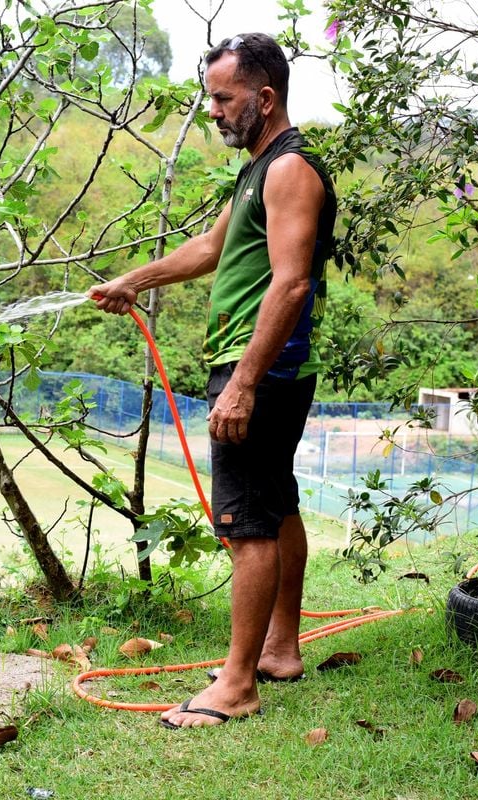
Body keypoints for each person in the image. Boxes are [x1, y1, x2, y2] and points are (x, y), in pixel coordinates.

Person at [89, 32, 337, 730]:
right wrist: (134, 281)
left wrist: (244, 382)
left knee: (248, 521)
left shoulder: (291, 171)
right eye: (212, 100)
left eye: (225, 100)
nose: (215, 113)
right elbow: (211, 247)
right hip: (263, 367)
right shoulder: (261, 169)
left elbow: (289, 285)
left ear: (264, 98)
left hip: (261, 367)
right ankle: (278, 651)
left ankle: (235, 686)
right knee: (276, 504)